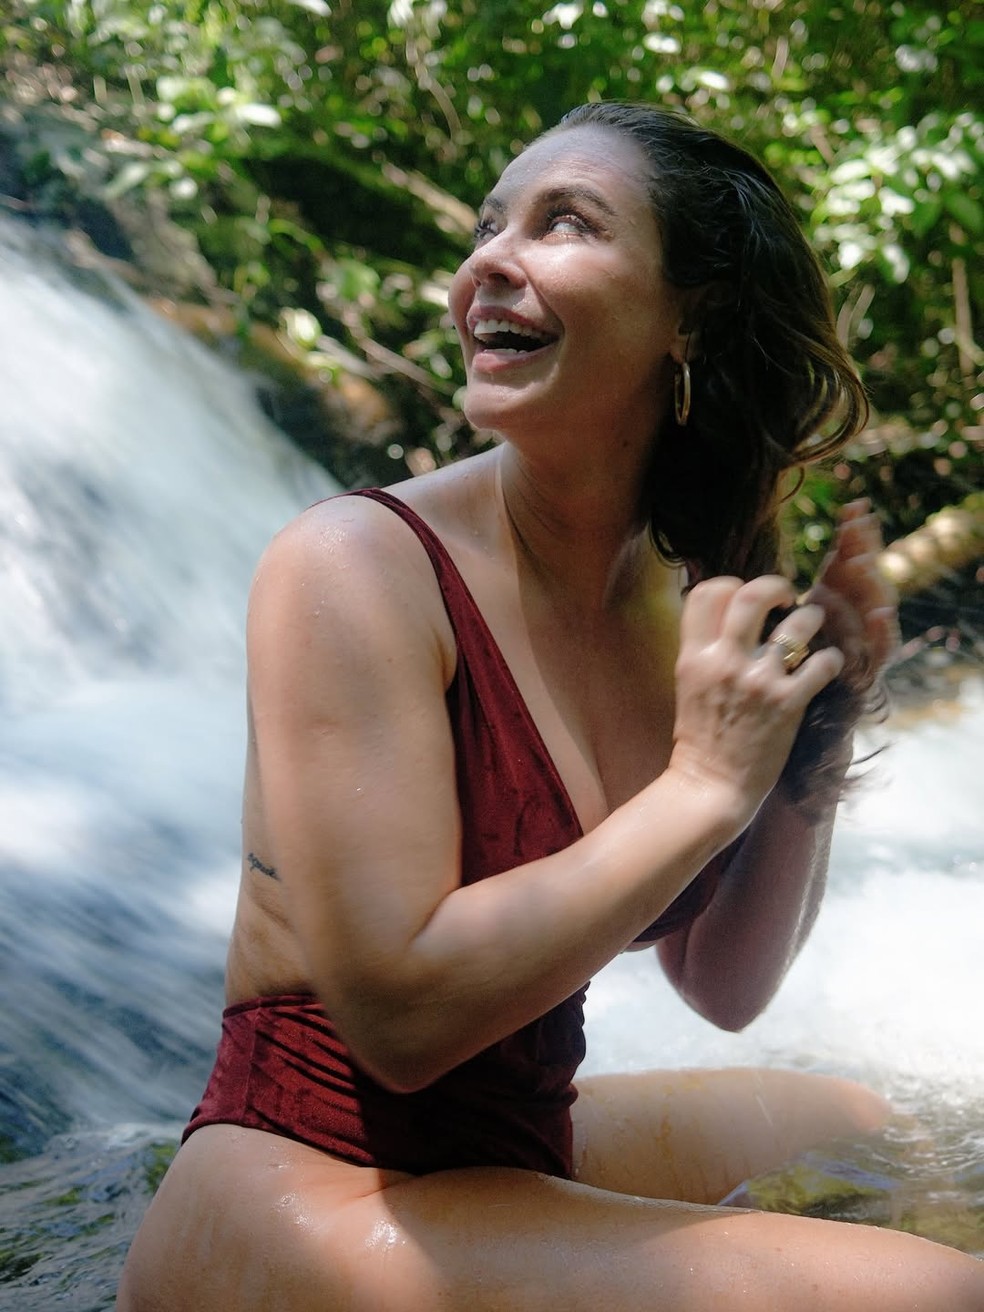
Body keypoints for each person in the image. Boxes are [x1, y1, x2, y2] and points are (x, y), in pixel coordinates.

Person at [117, 102, 984, 1310]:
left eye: (563, 222)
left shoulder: (677, 596)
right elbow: (403, 1021)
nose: (487, 262)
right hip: (304, 1195)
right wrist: (703, 785)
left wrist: (814, 736)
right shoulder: (354, 564)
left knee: (870, 1133)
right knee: (938, 1293)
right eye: (488, 226)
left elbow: (724, 986)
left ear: (693, 314)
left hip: (508, 1157)